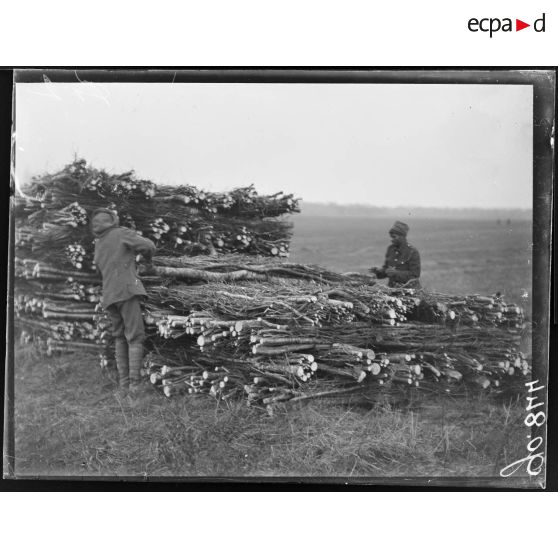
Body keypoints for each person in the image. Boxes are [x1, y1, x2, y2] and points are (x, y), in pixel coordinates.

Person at [91, 208, 156, 394]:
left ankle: (123, 385)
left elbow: (98, 268)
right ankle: (135, 386)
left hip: (109, 295)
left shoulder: (99, 243)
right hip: (127, 291)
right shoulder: (120, 233)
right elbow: (148, 246)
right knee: (135, 336)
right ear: (112, 220)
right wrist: (148, 261)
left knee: (120, 337)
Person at [370, 221, 421, 288]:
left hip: (409, 290)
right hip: (392, 289)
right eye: (391, 237)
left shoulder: (412, 252)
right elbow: (387, 270)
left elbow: (415, 275)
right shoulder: (390, 249)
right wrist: (378, 272)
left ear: (402, 237)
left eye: (394, 237)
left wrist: (396, 273)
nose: (392, 240)